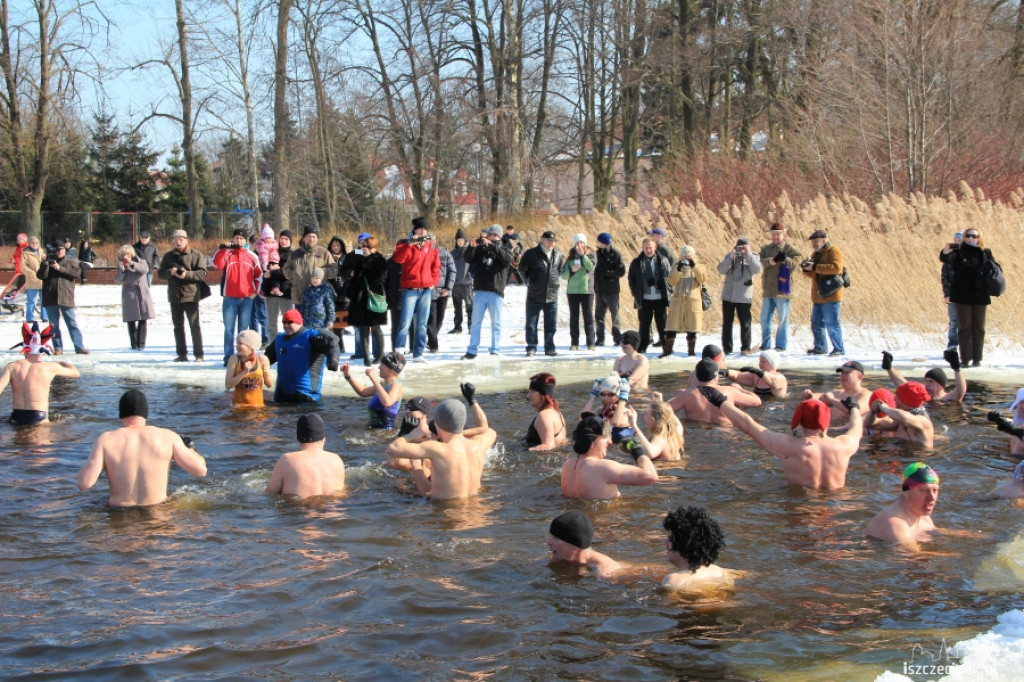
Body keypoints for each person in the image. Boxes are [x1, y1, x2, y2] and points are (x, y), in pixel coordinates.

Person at [705, 386, 863, 489]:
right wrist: (854, 408)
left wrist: (721, 402)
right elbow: (856, 429)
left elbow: (748, 426)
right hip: (835, 509)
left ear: (799, 421)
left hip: (801, 512)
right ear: (827, 420)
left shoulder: (788, 446)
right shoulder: (843, 445)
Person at [76, 389, 207, 507]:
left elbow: (84, 483)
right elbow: (200, 471)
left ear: (121, 414)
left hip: (119, 518)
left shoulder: (106, 440)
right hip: (157, 514)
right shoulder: (168, 437)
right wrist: (190, 449)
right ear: (145, 413)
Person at [385, 397, 497, 500]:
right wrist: (459, 433)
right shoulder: (478, 445)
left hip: (447, 514)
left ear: (438, 423)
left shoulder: (437, 449)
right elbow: (488, 430)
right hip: (478, 516)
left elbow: (393, 449)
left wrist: (411, 436)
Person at [561, 414, 658, 499]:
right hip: (604, 519)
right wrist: (637, 450)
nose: (610, 441)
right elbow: (650, 476)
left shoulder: (567, 466)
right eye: (605, 436)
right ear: (591, 441)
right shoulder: (602, 467)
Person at [0, 322, 80, 425]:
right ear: (43, 350)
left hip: (16, 416)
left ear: (25, 350)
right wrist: (65, 363)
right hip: (38, 417)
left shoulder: (12, 366)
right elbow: (76, 373)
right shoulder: (50, 367)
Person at [939, 227, 997, 367]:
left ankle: (977, 359)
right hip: (962, 295)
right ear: (964, 237)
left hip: (980, 295)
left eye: (974, 236)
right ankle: (965, 359)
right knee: (964, 327)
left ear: (979, 238)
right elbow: (946, 260)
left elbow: (995, 268)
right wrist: (946, 251)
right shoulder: (959, 251)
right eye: (969, 236)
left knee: (979, 327)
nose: (971, 238)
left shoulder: (985, 252)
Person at [264, 309, 341, 403]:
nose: (286, 326)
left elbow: (332, 342)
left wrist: (333, 360)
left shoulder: (311, 335)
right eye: (284, 323)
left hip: (305, 397)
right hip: (282, 395)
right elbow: (265, 359)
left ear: (299, 322)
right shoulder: (280, 339)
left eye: (289, 322)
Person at [393, 217, 441, 361]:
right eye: (419, 229)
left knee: (422, 323)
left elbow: (436, 266)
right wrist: (409, 244)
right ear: (414, 230)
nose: (422, 232)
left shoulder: (431, 246)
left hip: (426, 289)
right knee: (405, 322)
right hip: (410, 288)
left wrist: (433, 281)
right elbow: (398, 259)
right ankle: (399, 350)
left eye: (424, 230)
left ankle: (418, 353)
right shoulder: (404, 243)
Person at [462, 225, 514, 359]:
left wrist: (491, 245)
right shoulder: (481, 248)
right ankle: (472, 350)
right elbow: (468, 259)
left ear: (499, 236)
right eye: (489, 234)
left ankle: (495, 349)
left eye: (493, 235)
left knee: (496, 323)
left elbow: (506, 259)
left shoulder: (505, 248)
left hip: (496, 291)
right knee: (475, 323)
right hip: (480, 290)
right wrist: (472, 247)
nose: (490, 236)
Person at [213, 227, 263, 366]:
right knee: (229, 329)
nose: (239, 241)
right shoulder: (227, 254)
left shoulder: (252, 256)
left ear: (245, 240)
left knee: (243, 330)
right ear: (232, 239)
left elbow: (259, 276)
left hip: (247, 298)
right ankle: (228, 357)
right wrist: (223, 249)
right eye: (236, 238)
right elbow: (216, 265)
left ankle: (242, 356)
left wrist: (255, 292)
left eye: (241, 238)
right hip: (230, 298)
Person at [265, 414, 345, 499]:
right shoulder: (337, 460)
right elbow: (342, 494)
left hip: (301, 509)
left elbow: (270, 493)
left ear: (298, 438)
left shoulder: (287, 460)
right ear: (323, 438)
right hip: (333, 510)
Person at [158, 229, 208, 362]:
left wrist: (187, 274)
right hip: (174, 295)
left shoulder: (196, 255)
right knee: (178, 326)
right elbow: (160, 273)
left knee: (194, 325)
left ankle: (199, 354)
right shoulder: (168, 256)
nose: (178, 241)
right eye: (175, 239)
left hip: (191, 294)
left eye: (181, 239)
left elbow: (202, 273)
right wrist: (170, 272)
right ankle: (181, 354)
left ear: (187, 240)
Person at [661, 506, 734, 592]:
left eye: (671, 538)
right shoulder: (721, 572)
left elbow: (668, 604)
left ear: (684, 543)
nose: (665, 542)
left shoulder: (672, 581)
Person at [668, 358, 761, 425]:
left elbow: (661, 411)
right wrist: (739, 388)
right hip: (726, 432)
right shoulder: (729, 391)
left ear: (697, 375)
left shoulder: (686, 395)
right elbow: (757, 401)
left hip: (697, 431)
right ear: (716, 375)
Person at [866, 462, 940, 545]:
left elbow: (941, 532)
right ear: (905, 491)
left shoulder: (924, 518)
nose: (932, 498)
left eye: (935, 491)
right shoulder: (896, 525)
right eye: (924, 491)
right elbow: (914, 554)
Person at [36, 240, 89, 355]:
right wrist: (45, 264)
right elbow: (40, 275)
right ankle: (58, 348)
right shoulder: (48, 262)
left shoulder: (71, 262)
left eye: (61, 250)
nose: (59, 252)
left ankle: (79, 347)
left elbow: (76, 274)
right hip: (51, 297)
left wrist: (59, 268)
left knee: (72, 323)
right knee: (54, 325)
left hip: (66, 297)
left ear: (64, 251)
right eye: (57, 250)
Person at [519, 229, 565, 357]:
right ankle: (532, 347)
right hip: (534, 295)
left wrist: (554, 283)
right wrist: (530, 282)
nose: (552, 243)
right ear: (542, 240)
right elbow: (522, 269)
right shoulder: (531, 254)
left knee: (551, 324)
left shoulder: (559, 255)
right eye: (549, 241)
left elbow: (559, 270)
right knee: (531, 324)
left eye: (553, 241)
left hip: (551, 296)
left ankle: (549, 347)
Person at [758, 222, 802, 351]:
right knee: (764, 319)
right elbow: (758, 263)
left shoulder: (789, 248)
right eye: (773, 235)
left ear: (784, 235)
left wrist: (786, 260)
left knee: (782, 319)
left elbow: (797, 264)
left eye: (778, 234)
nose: (776, 237)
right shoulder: (766, 249)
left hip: (782, 289)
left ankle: (781, 345)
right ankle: (765, 344)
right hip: (768, 289)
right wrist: (770, 261)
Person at [344, 235, 388, 366]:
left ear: (373, 248)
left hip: (374, 297)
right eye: (362, 246)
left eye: (366, 247)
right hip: (360, 299)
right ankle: (366, 357)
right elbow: (355, 279)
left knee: (375, 328)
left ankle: (379, 355)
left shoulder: (380, 261)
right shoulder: (359, 259)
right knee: (363, 328)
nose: (363, 249)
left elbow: (380, 278)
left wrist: (364, 268)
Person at [802, 229, 845, 356]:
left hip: (831, 294)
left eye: (816, 241)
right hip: (818, 295)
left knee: (832, 323)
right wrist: (806, 269)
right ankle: (820, 347)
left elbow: (836, 268)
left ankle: (839, 349)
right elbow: (814, 275)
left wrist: (815, 267)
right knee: (816, 323)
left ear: (824, 240)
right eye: (813, 242)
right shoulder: (815, 254)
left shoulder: (834, 251)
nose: (814, 244)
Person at [717, 237, 762, 355]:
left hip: (744, 297)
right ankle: (727, 348)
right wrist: (730, 258)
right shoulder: (730, 256)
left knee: (745, 323)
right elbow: (720, 270)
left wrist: (748, 255)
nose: (741, 250)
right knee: (727, 323)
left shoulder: (754, 257)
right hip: (729, 296)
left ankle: (746, 348)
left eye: (744, 248)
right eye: (739, 248)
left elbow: (757, 270)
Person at [628, 237, 672, 353]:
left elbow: (670, 277)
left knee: (663, 325)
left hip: (660, 298)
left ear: (655, 248)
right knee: (644, 326)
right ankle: (642, 348)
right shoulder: (637, 262)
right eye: (646, 248)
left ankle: (666, 349)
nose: (648, 250)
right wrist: (635, 293)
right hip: (645, 299)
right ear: (642, 248)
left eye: (650, 248)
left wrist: (669, 291)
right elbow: (631, 280)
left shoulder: (663, 260)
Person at [546, 511, 622, 578]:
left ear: (575, 546)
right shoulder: (558, 557)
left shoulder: (606, 573)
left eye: (556, 538)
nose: (548, 542)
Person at [341, 351, 405, 429]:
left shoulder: (396, 386)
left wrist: (373, 378)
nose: (379, 367)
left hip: (386, 432)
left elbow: (387, 402)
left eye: (382, 364)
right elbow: (363, 391)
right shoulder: (382, 384)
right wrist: (348, 376)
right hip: (374, 430)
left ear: (391, 368)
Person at [665, 244, 707, 357]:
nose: (687, 258)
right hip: (678, 301)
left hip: (692, 301)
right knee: (671, 327)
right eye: (684, 256)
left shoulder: (699, 266)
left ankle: (691, 352)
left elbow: (702, 279)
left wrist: (694, 266)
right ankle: (667, 351)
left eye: (689, 256)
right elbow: (671, 282)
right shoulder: (676, 265)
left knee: (692, 328)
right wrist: (678, 269)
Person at [863, 381, 934, 448]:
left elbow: (904, 417)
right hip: (903, 456)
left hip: (920, 460)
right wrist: (873, 412)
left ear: (906, 401)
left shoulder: (923, 421)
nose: (894, 399)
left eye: (898, 396)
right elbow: (871, 425)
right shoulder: (899, 421)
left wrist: (884, 408)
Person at [881, 349, 966, 404]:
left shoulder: (947, 398)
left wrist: (957, 368)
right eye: (926, 381)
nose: (927, 384)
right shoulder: (923, 396)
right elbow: (903, 385)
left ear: (941, 385)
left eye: (931, 381)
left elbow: (960, 391)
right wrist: (889, 368)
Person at [284, 225, 337, 311]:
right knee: (300, 323)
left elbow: (334, 270)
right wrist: (294, 274)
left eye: (314, 237)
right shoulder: (295, 254)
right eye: (309, 236)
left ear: (317, 239)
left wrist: (322, 272)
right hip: (300, 297)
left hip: (318, 297)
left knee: (316, 323)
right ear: (304, 238)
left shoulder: (323, 253)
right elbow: (286, 269)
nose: (311, 239)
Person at [114, 244, 154, 351]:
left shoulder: (142, 261)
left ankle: (141, 344)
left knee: (143, 319)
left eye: (127, 254)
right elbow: (118, 280)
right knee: (131, 320)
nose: (125, 256)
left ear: (131, 254)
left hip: (142, 293)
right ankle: (133, 343)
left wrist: (132, 264)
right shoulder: (121, 265)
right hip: (129, 294)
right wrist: (122, 270)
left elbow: (145, 270)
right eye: (123, 254)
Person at [802, 360, 871, 422]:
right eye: (842, 373)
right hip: (834, 430)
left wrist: (832, 400)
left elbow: (855, 411)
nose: (843, 376)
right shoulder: (838, 393)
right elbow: (821, 396)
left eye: (847, 373)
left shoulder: (866, 395)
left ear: (860, 376)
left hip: (851, 433)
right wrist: (810, 395)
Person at [561, 233, 596, 350]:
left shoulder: (591, 255)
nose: (579, 245)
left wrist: (582, 256)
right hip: (572, 291)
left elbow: (591, 267)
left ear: (585, 244)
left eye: (581, 243)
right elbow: (564, 275)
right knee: (574, 317)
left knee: (588, 316)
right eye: (577, 243)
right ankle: (574, 343)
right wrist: (571, 270)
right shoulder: (570, 258)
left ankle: (590, 343)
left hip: (587, 291)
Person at [225, 329, 273, 407]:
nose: (237, 346)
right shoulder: (234, 359)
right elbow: (228, 385)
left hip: (257, 407)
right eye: (237, 343)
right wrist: (244, 372)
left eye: (240, 343)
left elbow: (269, 384)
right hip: (238, 407)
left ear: (250, 346)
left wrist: (267, 373)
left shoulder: (262, 359)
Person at [593, 232, 625, 346]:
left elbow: (621, 271)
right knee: (599, 315)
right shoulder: (597, 253)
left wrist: (607, 274)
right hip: (599, 289)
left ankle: (617, 338)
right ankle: (600, 338)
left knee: (614, 314)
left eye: (598, 241)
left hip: (611, 290)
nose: (596, 242)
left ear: (603, 242)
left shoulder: (615, 254)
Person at [581, 373, 634, 443]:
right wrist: (593, 396)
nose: (606, 398)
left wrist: (623, 396)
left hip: (623, 452)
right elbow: (583, 419)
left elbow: (616, 422)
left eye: (611, 394)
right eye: (603, 394)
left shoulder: (628, 412)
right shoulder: (601, 411)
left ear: (619, 395)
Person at [262, 229, 294, 343]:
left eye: (286, 239)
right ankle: (272, 347)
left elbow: (289, 273)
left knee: (289, 323)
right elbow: (264, 267)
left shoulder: (293, 255)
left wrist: (273, 272)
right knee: (271, 324)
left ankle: (289, 346)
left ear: (290, 241)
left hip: (286, 293)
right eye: (281, 239)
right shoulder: (272, 251)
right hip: (271, 293)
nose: (283, 241)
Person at [525, 372, 567, 451]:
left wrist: (525, 451)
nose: (528, 395)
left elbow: (549, 446)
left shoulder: (544, 415)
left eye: (532, 391)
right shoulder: (557, 412)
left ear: (543, 395)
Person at [427, 239, 455, 352]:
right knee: (432, 318)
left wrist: (448, 288)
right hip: (430, 290)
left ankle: (431, 339)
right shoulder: (425, 254)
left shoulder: (445, 254)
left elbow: (452, 271)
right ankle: (434, 345)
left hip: (443, 291)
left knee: (440, 317)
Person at [723, 349, 787, 397]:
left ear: (772, 363)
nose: (760, 364)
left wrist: (758, 371)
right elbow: (738, 376)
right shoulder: (756, 376)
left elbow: (772, 379)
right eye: (760, 361)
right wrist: (724, 372)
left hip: (775, 409)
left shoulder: (780, 378)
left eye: (763, 362)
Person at [940, 230, 962, 351]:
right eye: (956, 241)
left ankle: (968, 346)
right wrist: (947, 293)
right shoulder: (949, 258)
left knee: (968, 322)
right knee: (954, 322)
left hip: (967, 295)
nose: (958, 243)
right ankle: (953, 344)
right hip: (953, 295)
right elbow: (945, 277)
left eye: (960, 241)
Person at [449, 229, 473, 333]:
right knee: (457, 308)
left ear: (465, 240)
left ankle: (471, 327)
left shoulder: (469, 252)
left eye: (462, 240)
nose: (460, 242)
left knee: (469, 307)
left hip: (466, 284)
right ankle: (457, 327)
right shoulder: (452, 253)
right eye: (458, 240)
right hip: (455, 284)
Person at [987, 390, 1024, 455]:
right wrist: (999, 419)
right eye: (1021, 402)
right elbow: (1012, 424)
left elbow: (1016, 429)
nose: (1023, 406)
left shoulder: (1017, 429)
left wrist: (1015, 431)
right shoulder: (1019, 425)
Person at [20, 235, 48, 323]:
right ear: (29, 244)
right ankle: (30, 318)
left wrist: (45, 260)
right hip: (31, 280)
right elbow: (22, 266)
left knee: (44, 300)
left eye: (36, 243)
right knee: (31, 300)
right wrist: (31, 273)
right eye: (32, 243)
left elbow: (46, 263)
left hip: (42, 280)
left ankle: (44, 316)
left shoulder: (42, 252)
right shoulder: (25, 254)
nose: (34, 244)